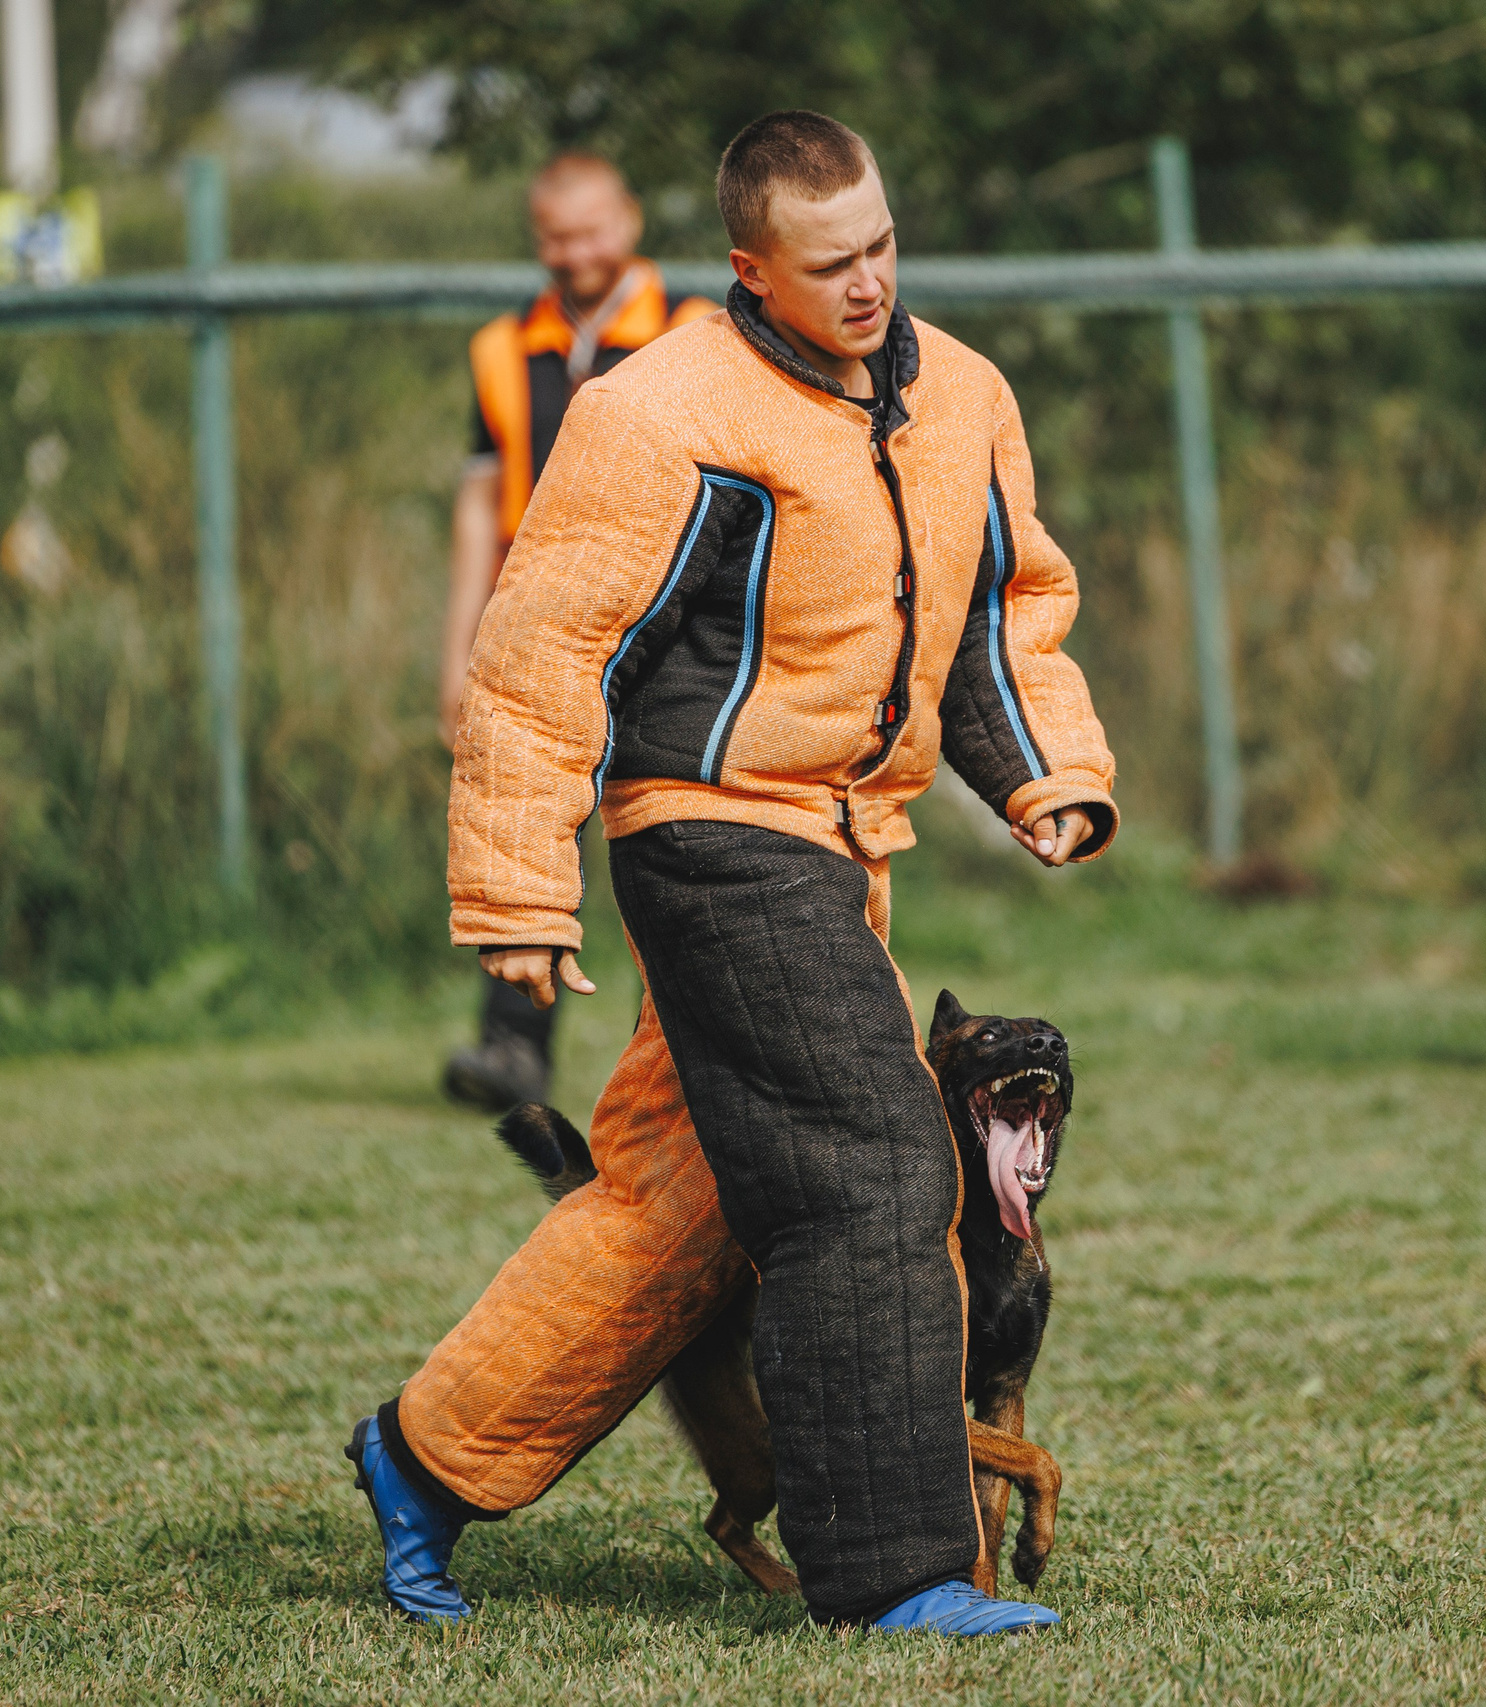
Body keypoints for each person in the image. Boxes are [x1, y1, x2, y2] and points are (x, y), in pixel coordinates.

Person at [346, 110, 1118, 1635]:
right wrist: (517, 884)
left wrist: (1045, 770)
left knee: (664, 1212)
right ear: (750, 266)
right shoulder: (657, 413)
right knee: (876, 1164)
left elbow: (996, 609)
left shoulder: (960, 396)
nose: (869, 283)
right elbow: (545, 648)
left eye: (884, 246)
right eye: (831, 261)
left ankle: (423, 1461)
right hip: (709, 836)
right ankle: (896, 1568)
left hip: (846, 845)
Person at [439, 152, 718, 1113]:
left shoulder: (698, 331)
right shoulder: (499, 350)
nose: (578, 250)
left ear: (631, 220)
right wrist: (460, 651)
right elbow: (481, 508)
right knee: (522, 828)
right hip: (540, 630)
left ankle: (681, 1055)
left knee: (674, 837)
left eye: (594, 228)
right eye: (558, 234)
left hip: (670, 626)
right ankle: (511, 1050)